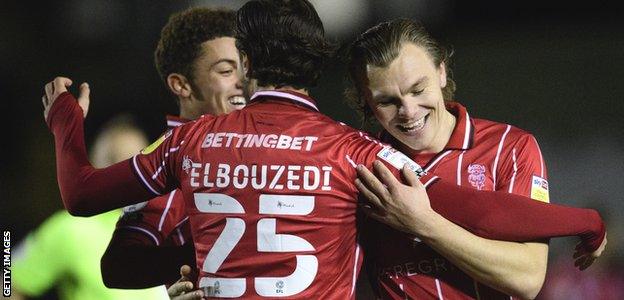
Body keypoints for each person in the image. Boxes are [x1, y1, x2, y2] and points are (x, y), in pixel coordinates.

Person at [42, 0, 606, 298]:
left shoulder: (188, 146)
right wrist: (579, 218)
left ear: (249, 61)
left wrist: (64, 121)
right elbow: (468, 204)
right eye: (388, 100)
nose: (406, 111)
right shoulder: (352, 152)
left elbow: (84, 199)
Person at [343, 19, 597, 299]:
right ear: (365, 103)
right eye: (387, 101)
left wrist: (423, 223)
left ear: (441, 72)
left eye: (418, 90)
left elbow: (526, 279)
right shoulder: (358, 163)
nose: (409, 111)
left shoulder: (509, 148)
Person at [99, 7, 245, 294]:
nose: (242, 81)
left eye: (245, 68)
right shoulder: (173, 162)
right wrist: (215, 256)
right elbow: (118, 265)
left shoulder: (254, 143)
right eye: (226, 71)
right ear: (182, 85)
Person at [11, 115, 169, 300]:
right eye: (123, 160)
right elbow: (8, 283)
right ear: (98, 164)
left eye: (144, 159)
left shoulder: (168, 224)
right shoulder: (69, 228)